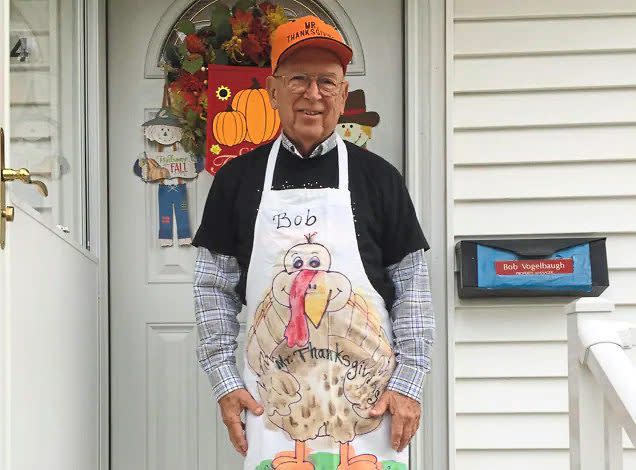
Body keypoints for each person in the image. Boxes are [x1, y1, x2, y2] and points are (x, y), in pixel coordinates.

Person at [193, 15, 435, 470]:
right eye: (299, 79)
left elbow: (413, 290)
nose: (313, 94)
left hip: (373, 396)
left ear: (343, 94)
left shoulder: (380, 178)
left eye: (327, 81)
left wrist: (409, 384)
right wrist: (225, 383)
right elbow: (212, 290)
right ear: (273, 90)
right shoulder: (236, 180)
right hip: (275, 394)